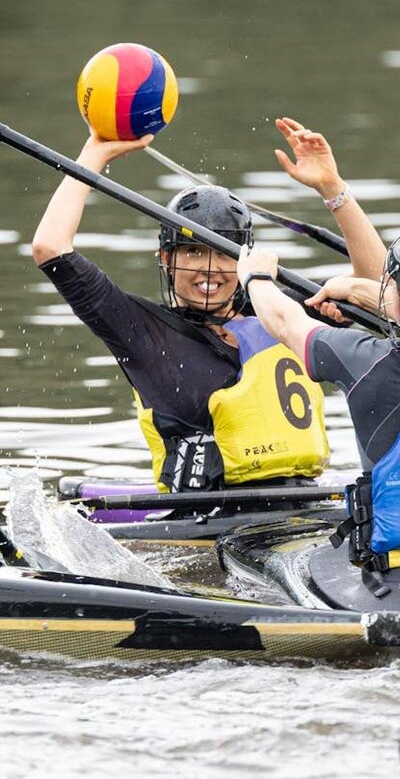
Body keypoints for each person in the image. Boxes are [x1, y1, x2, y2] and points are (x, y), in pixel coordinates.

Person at [32, 130, 332, 494]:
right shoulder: (142, 332)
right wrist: (94, 153)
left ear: (244, 259)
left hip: (309, 502)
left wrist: (333, 190)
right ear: (166, 259)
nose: (209, 268)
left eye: (224, 252)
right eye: (192, 252)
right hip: (209, 520)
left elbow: (375, 289)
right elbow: (50, 248)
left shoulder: (283, 310)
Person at [237, 121, 400, 594]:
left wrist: (257, 278)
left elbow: (286, 322)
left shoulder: (366, 361)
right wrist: (333, 190)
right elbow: (389, 293)